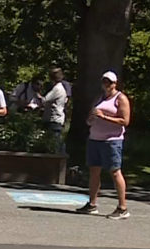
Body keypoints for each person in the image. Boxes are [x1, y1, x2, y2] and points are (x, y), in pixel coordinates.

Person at [77, 70, 131, 220]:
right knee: (94, 171)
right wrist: (91, 119)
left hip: (112, 141)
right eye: (104, 81)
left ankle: (122, 207)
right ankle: (92, 204)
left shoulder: (120, 99)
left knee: (115, 171)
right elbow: (91, 117)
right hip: (95, 139)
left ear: (115, 84)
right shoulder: (99, 98)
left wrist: (104, 117)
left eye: (110, 82)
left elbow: (125, 121)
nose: (107, 85)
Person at [41, 67, 69, 154]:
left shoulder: (57, 89)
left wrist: (38, 96)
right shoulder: (61, 88)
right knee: (57, 142)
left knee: (55, 143)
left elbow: (45, 100)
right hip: (57, 119)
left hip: (54, 119)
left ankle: (59, 162)